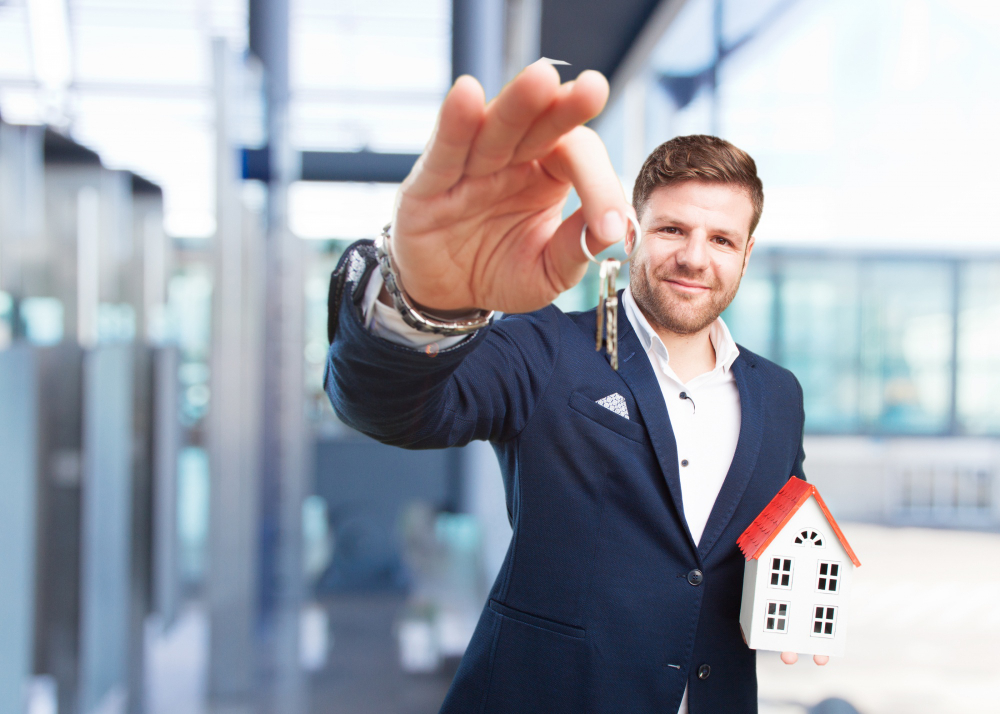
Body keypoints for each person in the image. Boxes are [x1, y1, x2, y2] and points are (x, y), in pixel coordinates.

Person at [325, 61, 822, 714]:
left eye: (722, 239)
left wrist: (806, 587)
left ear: (746, 254)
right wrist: (423, 302)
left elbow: (778, 531)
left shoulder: (779, 394)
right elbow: (395, 411)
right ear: (634, 232)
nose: (696, 257)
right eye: (673, 230)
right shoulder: (547, 347)